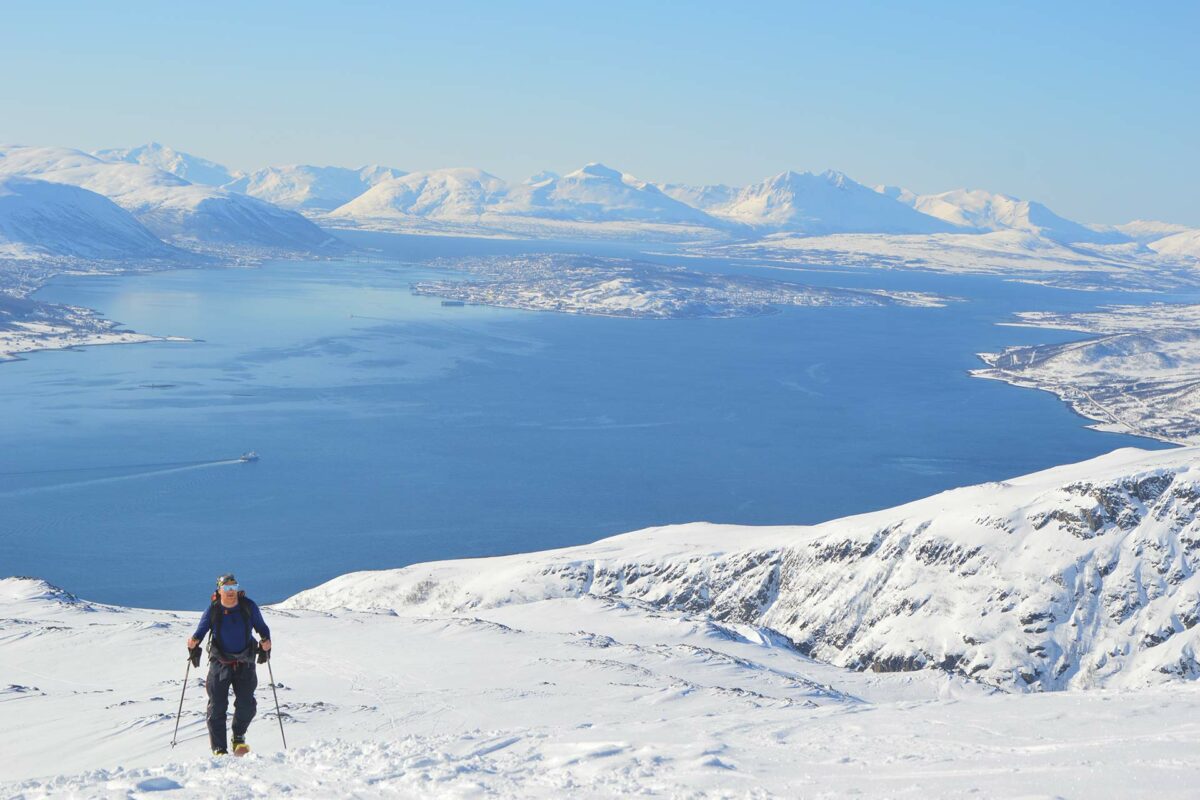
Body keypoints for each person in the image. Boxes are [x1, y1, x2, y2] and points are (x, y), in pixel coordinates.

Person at [186, 573, 272, 756]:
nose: (231, 591)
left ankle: (238, 737)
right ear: (219, 590)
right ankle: (219, 749)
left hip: (245, 662)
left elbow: (261, 627)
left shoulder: (248, 606)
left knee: (247, 705)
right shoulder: (214, 609)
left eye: (233, 587)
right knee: (217, 706)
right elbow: (201, 629)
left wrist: (266, 640)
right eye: (226, 588)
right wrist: (194, 641)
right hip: (220, 663)